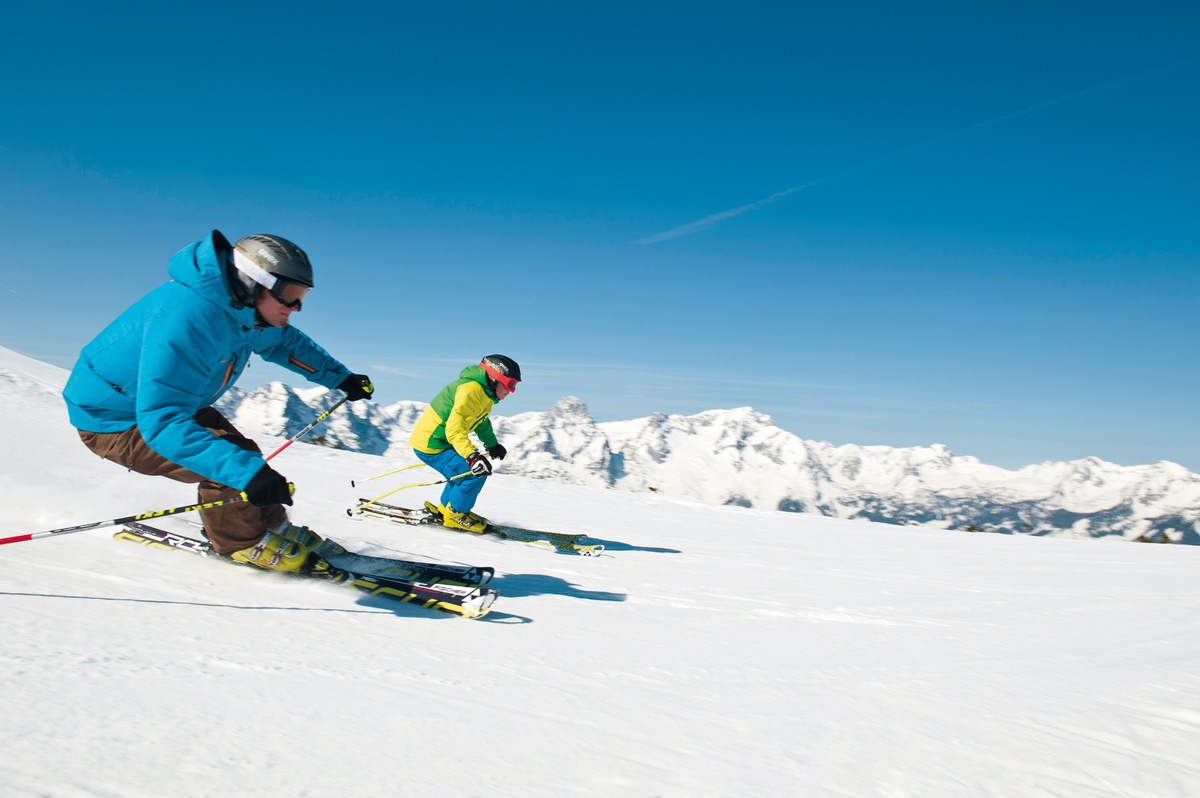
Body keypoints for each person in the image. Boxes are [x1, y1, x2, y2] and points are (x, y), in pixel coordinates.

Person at [62, 230, 375, 573]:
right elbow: (162, 421)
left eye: (302, 295)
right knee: (235, 467)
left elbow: (284, 342)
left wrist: (339, 377)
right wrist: (245, 472)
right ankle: (241, 543)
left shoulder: (241, 308)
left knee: (243, 457)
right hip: (114, 420)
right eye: (289, 294)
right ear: (252, 281)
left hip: (173, 404)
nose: (297, 306)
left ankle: (272, 527)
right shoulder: (188, 320)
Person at [409, 355, 520, 531]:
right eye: (510, 384)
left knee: (460, 474)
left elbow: (481, 423)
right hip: (433, 444)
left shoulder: (483, 393)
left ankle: (446, 510)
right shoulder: (471, 391)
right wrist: (472, 457)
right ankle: (456, 514)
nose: (511, 391)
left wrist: (492, 445)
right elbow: (454, 429)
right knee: (473, 474)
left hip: (440, 441)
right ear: (495, 378)